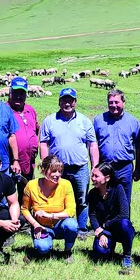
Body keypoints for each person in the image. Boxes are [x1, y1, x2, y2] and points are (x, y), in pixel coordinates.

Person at [39, 87, 99, 233]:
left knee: (82, 198)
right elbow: (43, 143)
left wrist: (95, 166)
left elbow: (92, 145)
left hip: (80, 167)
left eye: (70, 100)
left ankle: (82, 227)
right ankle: (59, 226)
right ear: (59, 102)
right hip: (57, 169)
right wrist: (46, 164)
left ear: (75, 102)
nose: (67, 103)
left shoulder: (84, 121)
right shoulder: (50, 120)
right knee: (57, 197)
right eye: (64, 100)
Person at [21, 154, 79, 261]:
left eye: (60, 171)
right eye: (53, 171)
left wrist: (49, 215)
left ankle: (67, 252)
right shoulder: (31, 185)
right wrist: (35, 225)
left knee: (72, 225)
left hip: (60, 224)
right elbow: (25, 209)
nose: (57, 174)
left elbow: (71, 211)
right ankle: (40, 248)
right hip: (42, 226)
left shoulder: (66, 184)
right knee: (43, 248)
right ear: (43, 171)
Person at [93, 89, 139, 206]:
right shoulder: (99, 120)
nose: (114, 105)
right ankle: (106, 223)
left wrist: (138, 168)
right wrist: (95, 167)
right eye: (111, 102)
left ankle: (124, 223)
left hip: (125, 167)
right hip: (105, 166)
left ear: (123, 102)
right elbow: (93, 145)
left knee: (124, 198)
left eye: (116, 102)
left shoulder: (133, 121)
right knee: (104, 197)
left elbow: (139, 147)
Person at [88, 162, 135, 272]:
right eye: (92, 175)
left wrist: (104, 225)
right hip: (105, 231)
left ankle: (127, 255)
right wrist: (99, 232)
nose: (93, 178)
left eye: (96, 176)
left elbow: (124, 214)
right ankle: (110, 247)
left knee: (125, 224)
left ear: (107, 178)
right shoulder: (92, 193)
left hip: (119, 228)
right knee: (101, 253)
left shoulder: (118, 189)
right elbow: (92, 215)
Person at [7, 77, 39, 203]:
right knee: (9, 194)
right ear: (10, 92)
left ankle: (26, 218)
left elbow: (36, 128)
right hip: (10, 162)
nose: (19, 96)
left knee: (27, 192)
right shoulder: (4, 110)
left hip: (29, 161)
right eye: (15, 93)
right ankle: (10, 220)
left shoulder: (30, 110)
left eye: (22, 93)